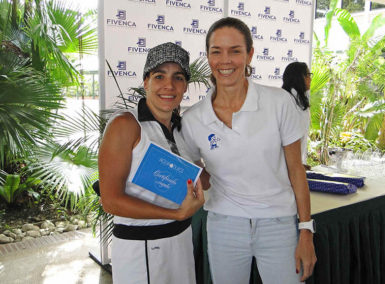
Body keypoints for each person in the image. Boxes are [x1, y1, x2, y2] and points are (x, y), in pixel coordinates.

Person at [180, 17, 317, 284]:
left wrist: (306, 231)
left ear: (249, 54)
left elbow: (296, 170)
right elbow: (197, 173)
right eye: (216, 51)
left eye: (235, 51)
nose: (225, 60)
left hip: (278, 224)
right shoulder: (194, 119)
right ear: (208, 55)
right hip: (224, 226)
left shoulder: (278, 103)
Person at [98, 42, 205, 284]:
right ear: (146, 82)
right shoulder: (126, 125)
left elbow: (199, 178)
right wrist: (176, 213)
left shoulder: (182, 129)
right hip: (142, 248)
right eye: (159, 76)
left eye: (178, 77)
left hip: (180, 241)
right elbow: (111, 201)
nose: (169, 85)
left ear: (185, 86)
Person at [282, 62, 312, 170]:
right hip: (284, 167)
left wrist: (299, 164)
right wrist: (295, 165)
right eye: (308, 75)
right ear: (299, 77)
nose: (310, 79)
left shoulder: (300, 99)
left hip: (294, 165)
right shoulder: (286, 100)